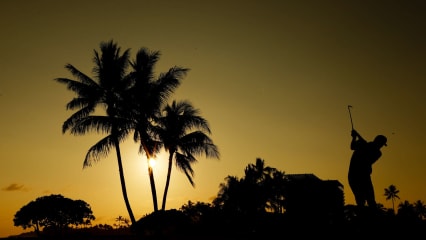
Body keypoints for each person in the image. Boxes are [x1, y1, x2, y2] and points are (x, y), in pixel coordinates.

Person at [348, 129, 387, 209]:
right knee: (360, 200)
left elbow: (367, 150)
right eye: (382, 144)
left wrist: (358, 135)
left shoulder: (378, 153)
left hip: (364, 177)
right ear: (377, 142)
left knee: (371, 200)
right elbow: (352, 147)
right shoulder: (363, 144)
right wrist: (354, 137)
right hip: (354, 176)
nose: (381, 146)